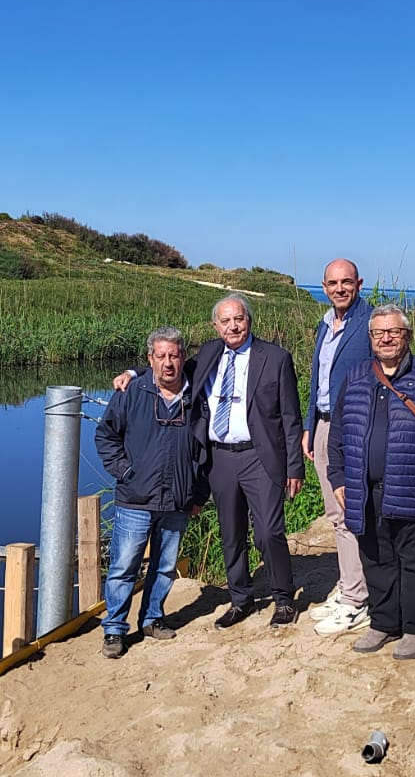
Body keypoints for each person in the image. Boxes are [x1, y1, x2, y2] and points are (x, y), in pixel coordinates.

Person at [325, 306, 415, 660]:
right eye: (378, 333)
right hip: (364, 490)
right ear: (371, 338)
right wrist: (338, 477)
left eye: (394, 332)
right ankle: (384, 622)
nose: (386, 338)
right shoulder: (357, 375)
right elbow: (338, 431)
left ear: (407, 336)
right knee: (376, 561)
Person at [93, 328, 209, 659]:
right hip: (136, 499)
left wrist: (198, 494)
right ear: (150, 359)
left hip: (177, 500)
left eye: (174, 355)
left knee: (164, 566)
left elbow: (206, 451)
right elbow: (106, 436)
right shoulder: (132, 391)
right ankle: (115, 629)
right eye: (161, 356)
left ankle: (152, 619)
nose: (168, 363)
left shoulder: (197, 395)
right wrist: (126, 472)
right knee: (123, 567)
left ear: (183, 357)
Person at [194, 294, 305, 627]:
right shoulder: (208, 354)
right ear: (216, 326)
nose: (233, 326)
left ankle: (283, 598)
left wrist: (295, 467)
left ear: (249, 321)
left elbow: (291, 417)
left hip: (261, 457)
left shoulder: (275, 358)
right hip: (220, 458)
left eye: (239, 319)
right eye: (226, 321)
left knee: (269, 531)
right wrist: (132, 372)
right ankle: (240, 600)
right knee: (231, 534)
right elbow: (168, 368)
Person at [301, 259, 374, 636]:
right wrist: (309, 426)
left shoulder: (371, 321)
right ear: (324, 286)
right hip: (324, 425)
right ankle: (350, 586)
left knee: (350, 511)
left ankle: (357, 599)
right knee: (335, 513)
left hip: (354, 429)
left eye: (347, 282)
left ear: (359, 283)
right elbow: (318, 380)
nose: (340, 288)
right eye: (333, 283)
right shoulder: (325, 323)